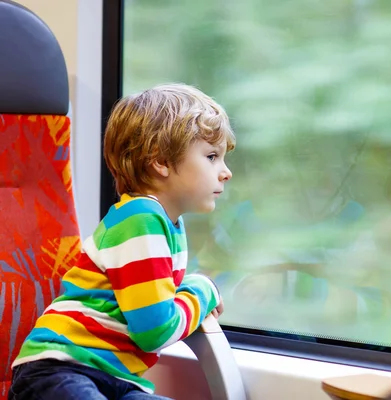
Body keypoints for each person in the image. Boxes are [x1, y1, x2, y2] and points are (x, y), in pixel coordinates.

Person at [8, 83, 235, 399]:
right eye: (212, 156)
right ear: (161, 162)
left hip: (119, 378)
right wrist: (202, 290)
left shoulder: (169, 225)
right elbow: (155, 330)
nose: (226, 172)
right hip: (60, 369)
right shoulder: (140, 218)